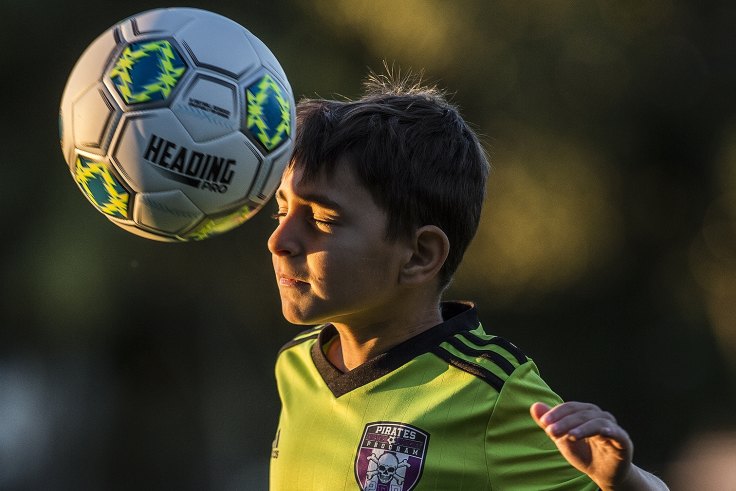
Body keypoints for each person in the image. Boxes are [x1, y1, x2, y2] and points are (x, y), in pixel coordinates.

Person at [267, 71, 668, 490]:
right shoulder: (294, 366)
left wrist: (622, 481)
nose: (279, 240)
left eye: (321, 219)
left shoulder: (490, 391)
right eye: (282, 210)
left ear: (420, 255)